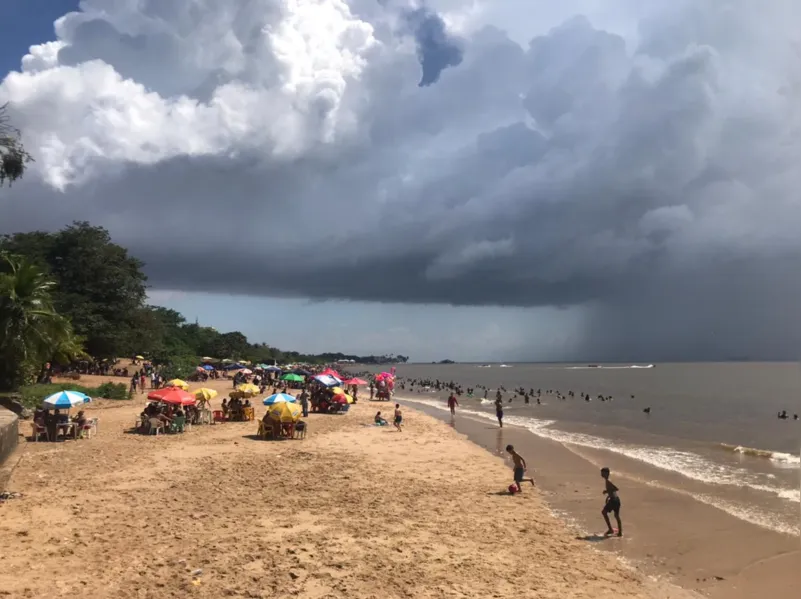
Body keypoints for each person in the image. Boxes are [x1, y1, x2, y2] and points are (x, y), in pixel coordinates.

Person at [600, 467, 623, 537]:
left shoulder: (608, 481)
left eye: (602, 473)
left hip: (613, 500)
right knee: (616, 516)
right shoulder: (608, 480)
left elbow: (616, 488)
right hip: (616, 499)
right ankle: (620, 532)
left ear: (607, 473)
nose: (601, 474)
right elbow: (613, 490)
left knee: (604, 512)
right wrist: (608, 494)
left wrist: (607, 492)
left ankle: (611, 529)